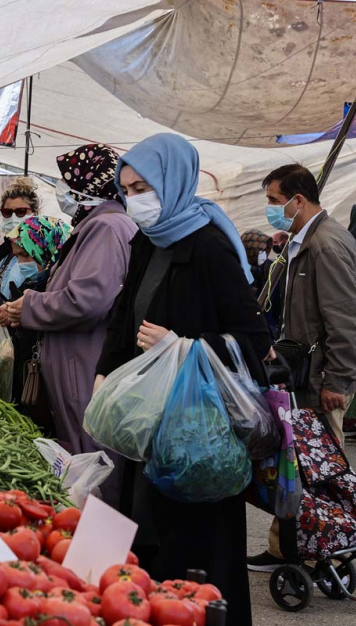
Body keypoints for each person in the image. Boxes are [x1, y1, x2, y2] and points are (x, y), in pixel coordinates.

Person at [92, 133, 271, 625]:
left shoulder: (210, 247)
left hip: (199, 433)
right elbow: (122, 313)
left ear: (173, 181)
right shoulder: (146, 242)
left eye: (143, 187)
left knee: (200, 552)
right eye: (127, 189)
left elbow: (254, 341)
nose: (135, 200)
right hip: (151, 425)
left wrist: (185, 347)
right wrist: (105, 370)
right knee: (152, 544)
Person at [0, 145, 137, 508]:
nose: (62, 190)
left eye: (67, 182)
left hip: (85, 367)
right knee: (84, 461)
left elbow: (86, 298)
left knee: (97, 465)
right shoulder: (95, 226)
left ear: (86, 184)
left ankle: (110, 550)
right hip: (78, 366)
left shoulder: (106, 227)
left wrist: (29, 305)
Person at [249, 164, 356, 571]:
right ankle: (287, 548)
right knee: (297, 464)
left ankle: (324, 550)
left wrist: (339, 380)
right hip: (303, 374)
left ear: (298, 200)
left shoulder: (327, 245)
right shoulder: (304, 241)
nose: (270, 210)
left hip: (322, 378)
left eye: (274, 202)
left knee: (323, 470)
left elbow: (345, 319)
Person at [0, 216, 71, 425]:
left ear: (47, 250)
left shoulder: (59, 291)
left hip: (54, 387)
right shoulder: (33, 283)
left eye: (25, 255)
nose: (21, 263)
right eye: (17, 256)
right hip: (28, 383)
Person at [0, 177, 40, 295]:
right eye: (7, 212)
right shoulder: (2, 253)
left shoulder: (41, 253)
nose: (13, 218)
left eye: (21, 212)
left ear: (35, 213)